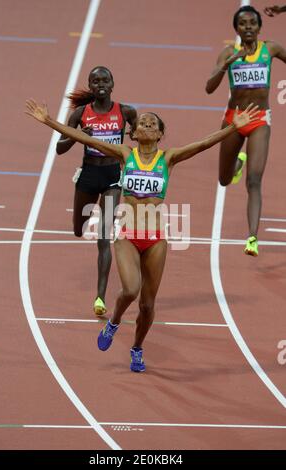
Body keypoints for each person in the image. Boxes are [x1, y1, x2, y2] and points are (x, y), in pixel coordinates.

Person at [25, 98, 258, 372]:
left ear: (160, 134)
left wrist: (233, 127)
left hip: (156, 237)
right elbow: (80, 137)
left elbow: (203, 143)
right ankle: (114, 322)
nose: (147, 124)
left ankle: (137, 348)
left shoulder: (168, 158)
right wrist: (50, 121)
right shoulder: (125, 154)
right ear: (133, 133)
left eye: (153, 123)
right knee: (131, 289)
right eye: (142, 123)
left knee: (148, 305)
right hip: (127, 233)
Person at [206, 5, 286, 256]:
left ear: (260, 27)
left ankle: (252, 238)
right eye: (243, 23)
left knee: (254, 181)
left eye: (253, 23)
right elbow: (209, 88)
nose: (248, 27)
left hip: (260, 119)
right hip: (234, 120)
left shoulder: (270, 49)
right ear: (236, 28)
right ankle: (237, 165)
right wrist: (226, 64)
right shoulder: (229, 52)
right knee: (224, 179)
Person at [56, 66, 136, 315]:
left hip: (113, 177)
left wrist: (136, 134)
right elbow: (60, 148)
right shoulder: (80, 114)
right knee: (78, 230)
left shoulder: (125, 112)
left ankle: (100, 298)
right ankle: (80, 225)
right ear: (90, 87)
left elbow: (139, 133)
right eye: (95, 81)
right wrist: (78, 136)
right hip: (89, 176)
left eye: (105, 80)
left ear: (113, 84)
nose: (101, 84)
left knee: (104, 236)